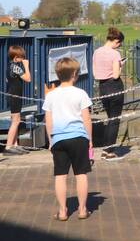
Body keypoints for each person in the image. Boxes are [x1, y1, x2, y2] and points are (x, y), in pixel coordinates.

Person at [42, 56, 93, 221]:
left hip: (59, 138)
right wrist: (90, 140)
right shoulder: (81, 94)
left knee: (60, 175)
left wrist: (51, 140)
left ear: (57, 75)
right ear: (75, 74)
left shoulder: (51, 95)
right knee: (81, 174)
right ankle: (83, 209)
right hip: (78, 137)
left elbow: (48, 121)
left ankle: (63, 211)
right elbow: (87, 119)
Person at [92, 27, 126, 160]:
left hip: (103, 87)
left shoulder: (97, 52)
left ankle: (106, 148)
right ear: (116, 41)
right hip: (115, 86)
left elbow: (95, 73)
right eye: (119, 43)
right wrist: (120, 65)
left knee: (109, 118)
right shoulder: (115, 54)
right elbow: (116, 75)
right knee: (114, 119)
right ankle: (109, 151)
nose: (119, 46)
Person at [3, 45, 31, 155]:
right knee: (15, 121)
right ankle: (8, 147)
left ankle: (15, 145)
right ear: (15, 57)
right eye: (21, 57)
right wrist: (26, 66)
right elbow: (28, 79)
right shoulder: (16, 67)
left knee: (16, 120)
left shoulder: (10, 66)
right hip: (15, 97)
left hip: (13, 96)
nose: (23, 59)